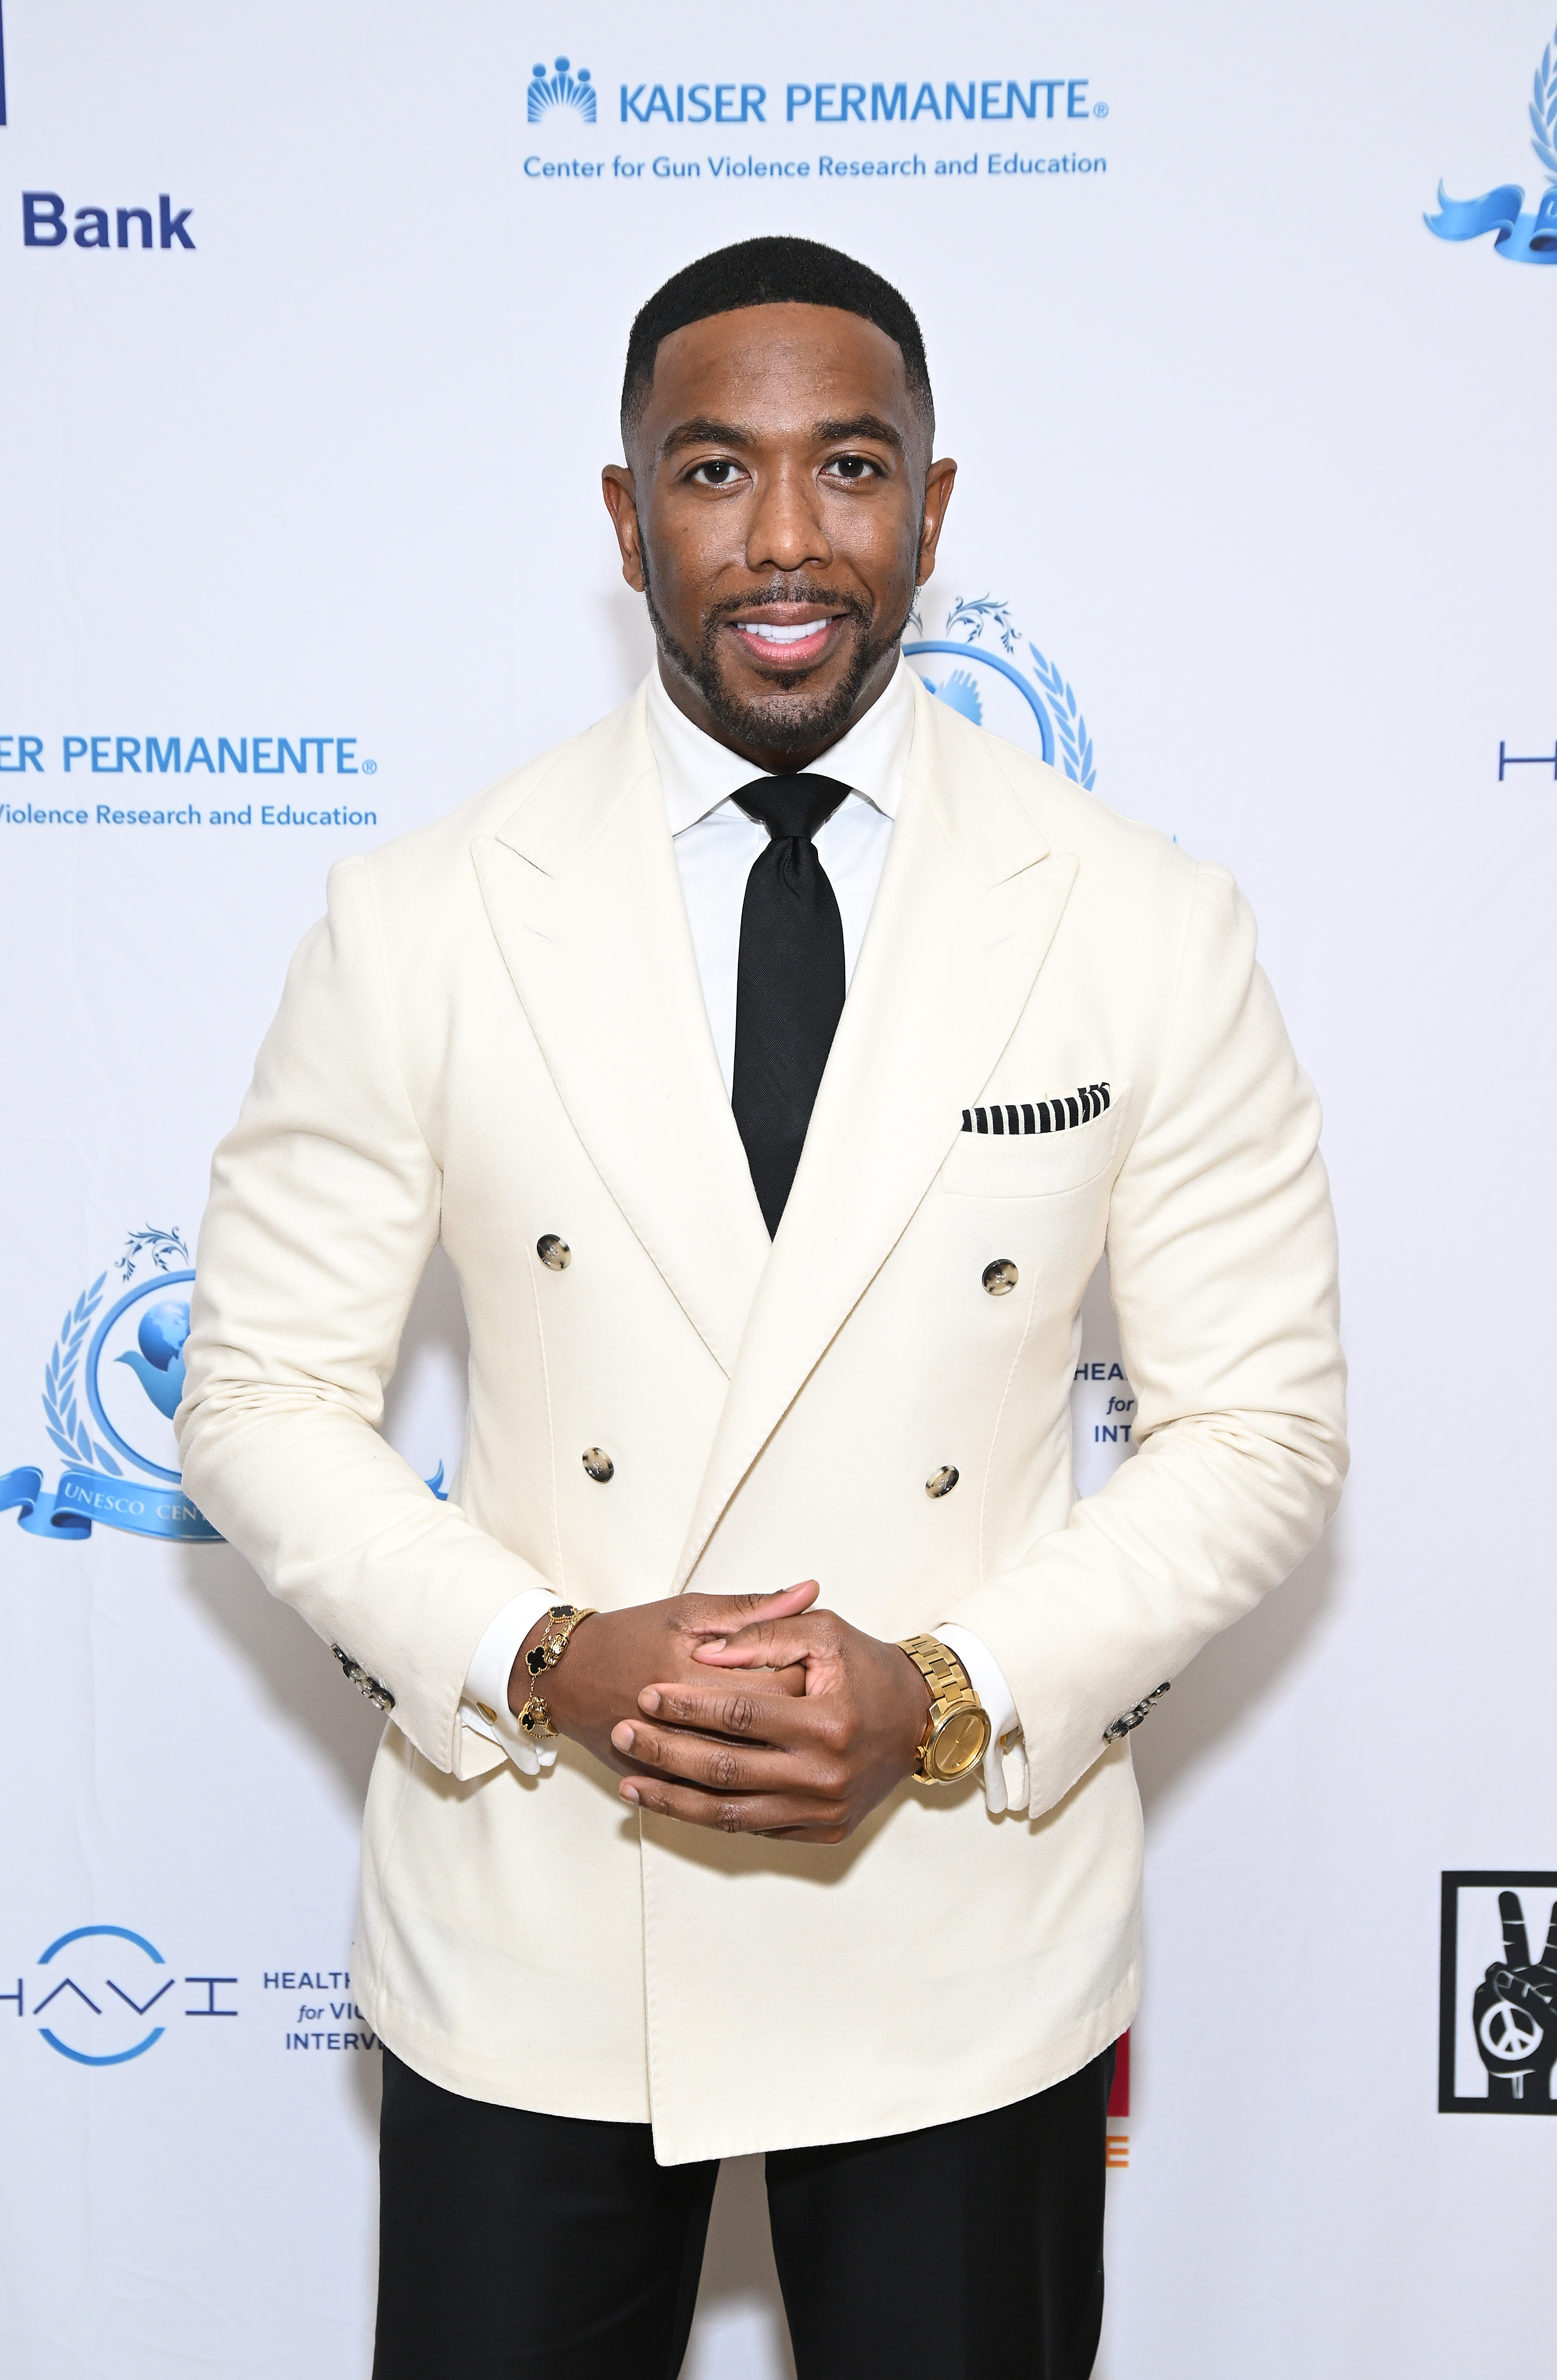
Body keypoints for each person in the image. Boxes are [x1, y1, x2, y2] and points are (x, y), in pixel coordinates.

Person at [178, 235, 1347, 2379]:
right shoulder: (423, 916)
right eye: (715, 472)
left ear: (935, 507)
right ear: (625, 516)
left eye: (851, 467)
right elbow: (256, 1394)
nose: (787, 538)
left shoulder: (1148, 923)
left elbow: (1259, 1426)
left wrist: (951, 1690)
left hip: (958, 1929)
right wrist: (536, 1652)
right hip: (535, 1909)